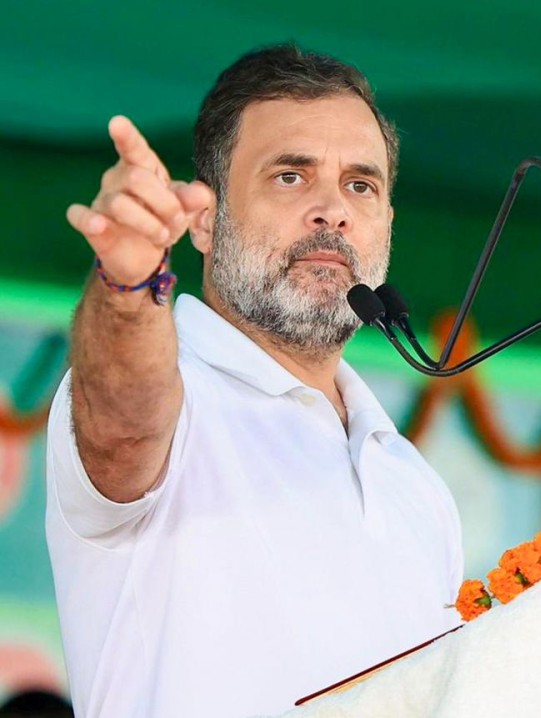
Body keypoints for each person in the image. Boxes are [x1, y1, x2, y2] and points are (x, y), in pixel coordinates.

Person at [45, 43, 464, 718]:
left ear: (387, 223)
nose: (333, 209)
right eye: (290, 177)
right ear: (205, 221)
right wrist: (129, 282)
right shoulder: (174, 402)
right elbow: (125, 419)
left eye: (362, 185)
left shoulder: (415, 482)